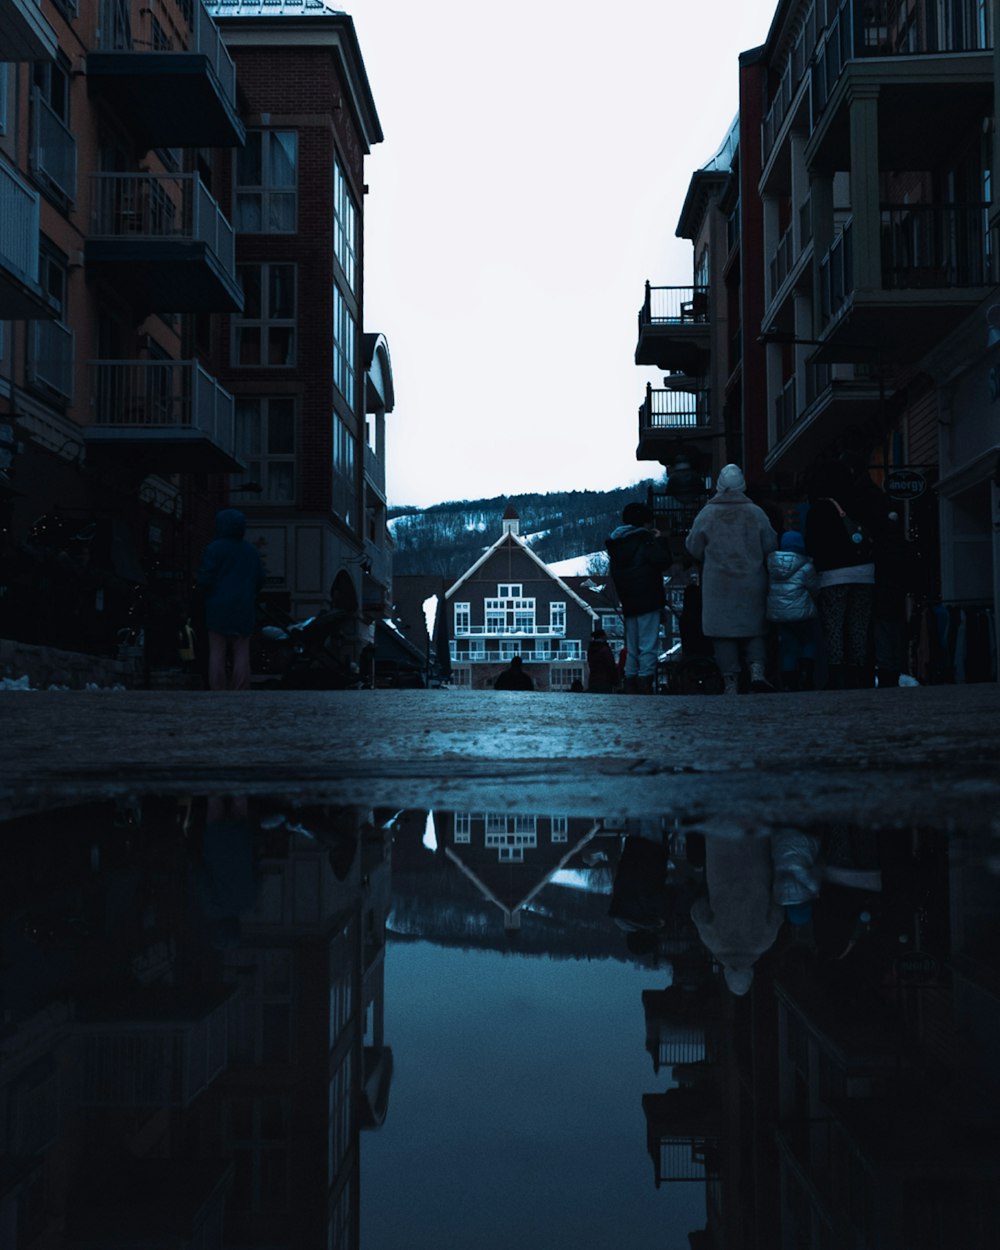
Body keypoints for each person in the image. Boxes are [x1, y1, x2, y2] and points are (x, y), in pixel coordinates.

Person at [684, 464, 777, 694]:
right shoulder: (756, 513)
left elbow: (694, 547)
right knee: (755, 628)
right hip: (752, 581)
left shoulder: (707, 514)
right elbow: (771, 545)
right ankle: (757, 671)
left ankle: (730, 681)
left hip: (718, 585)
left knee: (722, 633)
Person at [805, 458, 886, 688]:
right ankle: (859, 671)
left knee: (834, 626)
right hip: (865, 572)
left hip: (833, 576)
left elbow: (812, 546)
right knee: (859, 624)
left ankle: (837, 673)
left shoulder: (819, 509)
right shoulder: (860, 500)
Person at [606, 501, 672, 693]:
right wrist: (659, 541)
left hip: (628, 601)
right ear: (644, 523)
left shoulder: (617, 545)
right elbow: (663, 562)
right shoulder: (645, 541)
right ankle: (645, 683)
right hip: (648, 599)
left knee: (633, 647)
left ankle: (630, 682)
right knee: (648, 645)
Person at [196, 508, 265, 691]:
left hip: (217, 606)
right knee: (241, 652)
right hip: (243, 606)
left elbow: (205, 579)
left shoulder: (213, 549)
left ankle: (218, 688)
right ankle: (240, 688)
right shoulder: (250, 551)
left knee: (217, 652)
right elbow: (259, 580)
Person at [766, 530, 820, 690]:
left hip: (780, 615)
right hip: (802, 613)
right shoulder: (806, 565)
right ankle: (806, 673)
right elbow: (814, 589)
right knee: (808, 642)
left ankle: (789, 682)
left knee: (788, 648)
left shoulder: (772, 566)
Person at [586, 628, 618, 693]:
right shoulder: (605, 649)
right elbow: (610, 665)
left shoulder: (591, 649)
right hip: (605, 680)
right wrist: (615, 680)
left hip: (593, 679)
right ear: (603, 637)